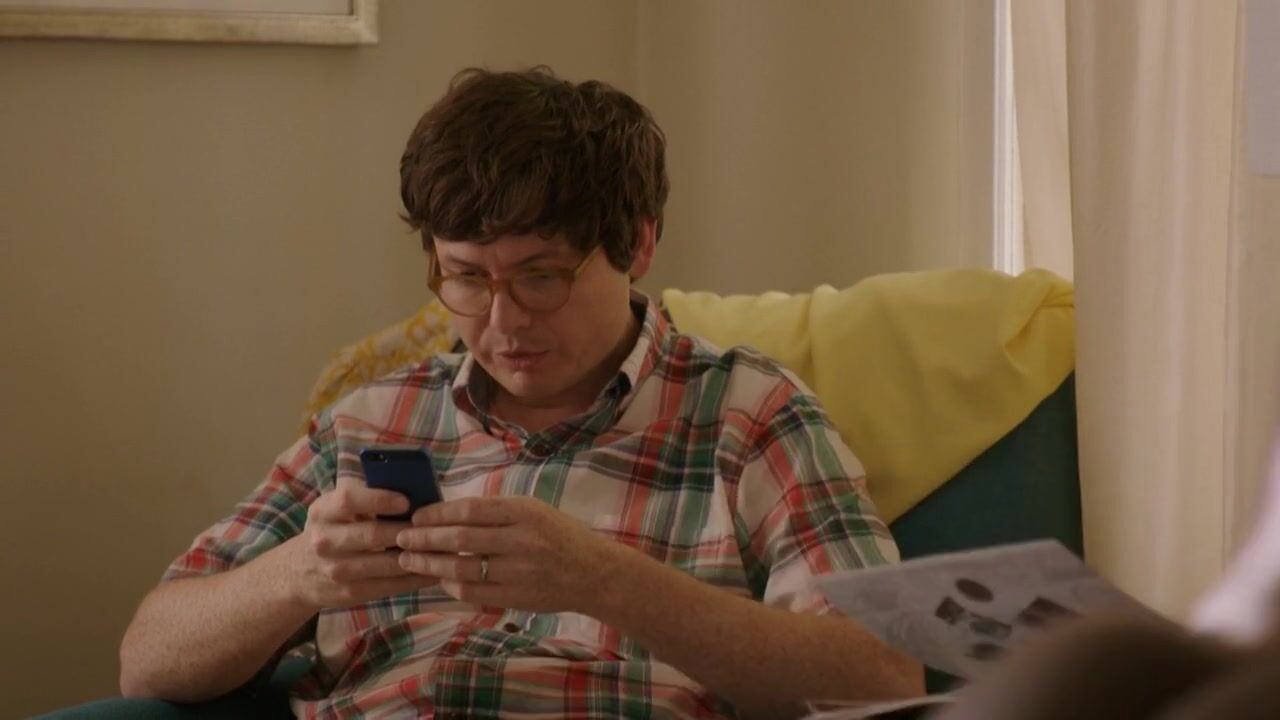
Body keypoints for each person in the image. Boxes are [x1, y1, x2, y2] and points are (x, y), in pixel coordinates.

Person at [118, 67, 922, 719]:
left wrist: (604, 580)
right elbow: (147, 661)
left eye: (541, 276)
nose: (502, 323)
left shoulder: (750, 415)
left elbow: (883, 676)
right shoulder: (372, 420)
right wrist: (300, 575)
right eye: (466, 278)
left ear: (638, 243)